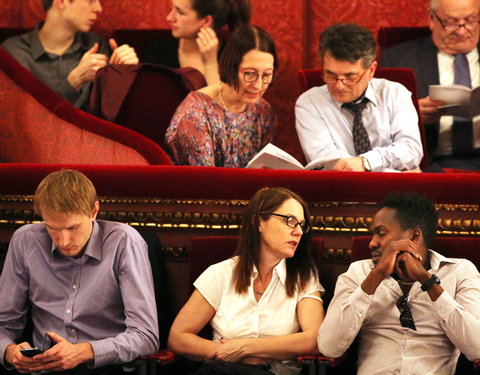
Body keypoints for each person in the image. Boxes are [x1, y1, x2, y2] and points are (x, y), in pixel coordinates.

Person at [0, 169, 159, 374]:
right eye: (53, 228)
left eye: (72, 228)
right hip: (42, 369)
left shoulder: (124, 242)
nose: (63, 241)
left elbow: (146, 336)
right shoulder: (25, 241)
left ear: (94, 211)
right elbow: (3, 323)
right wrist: (10, 351)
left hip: (106, 368)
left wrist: (84, 352)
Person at [318, 193, 480, 374]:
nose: (372, 243)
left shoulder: (459, 271)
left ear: (414, 237)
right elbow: (329, 347)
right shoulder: (358, 272)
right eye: (373, 234)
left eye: (381, 233)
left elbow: (477, 347)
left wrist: (426, 280)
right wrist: (376, 275)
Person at [168, 187, 324, 375]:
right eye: (290, 221)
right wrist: (222, 351)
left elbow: (314, 339)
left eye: (302, 225)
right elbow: (178, 338)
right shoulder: (221, 273)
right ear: (259, 221)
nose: (298, 232)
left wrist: (244, 347)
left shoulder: (304, 277)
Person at [295, 23, 423, 172]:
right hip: (339, 191)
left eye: (350, 77)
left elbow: (411, 150)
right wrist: (392, 171)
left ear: (371, 70)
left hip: (398, 191)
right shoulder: (310, 103)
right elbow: (330, 164)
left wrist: (366, 162)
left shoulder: (395, 94)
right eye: (330, 75)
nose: (339, 86)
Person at [381, 0, 480, 170]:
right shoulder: (397, 59)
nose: (462, 30)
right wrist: (412, 115)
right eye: (451, 22)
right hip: (433, 164)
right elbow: (377, 123)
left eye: (470, 20)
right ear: (432, 19)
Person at [165, 24, 277, 168]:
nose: (258, 85)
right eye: (249, 74)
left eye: (267, 75)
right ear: (230, 67)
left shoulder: (263, 111)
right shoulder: (195, 113)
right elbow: (205, 181)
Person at [1, 0, 139, 111]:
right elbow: (21, 115)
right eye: (91, 0)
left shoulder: (96, 45)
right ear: (61, 2)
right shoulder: (14, 51)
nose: (98, 8)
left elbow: (110, 110)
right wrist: (75, 80)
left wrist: (125, 74)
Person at [144, 0, 251, 85]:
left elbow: (223, 109)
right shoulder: (158, 51)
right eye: (173, 8)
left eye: (180, 12)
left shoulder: (234, 59)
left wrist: (211, 64)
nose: (169, 17)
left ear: (206, 21)